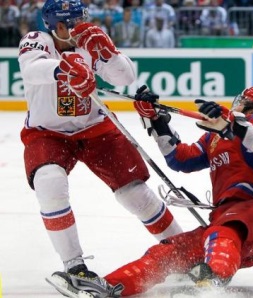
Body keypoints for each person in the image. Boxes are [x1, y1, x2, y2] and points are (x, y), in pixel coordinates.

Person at [17, 0, 182, 297]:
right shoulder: (36, 40)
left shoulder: (90, 38)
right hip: (48, 132)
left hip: (95, 127)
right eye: (75, 20)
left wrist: (108, 53)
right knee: (49, 182)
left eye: (83, 17)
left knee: (135, 193)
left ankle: (183, 250)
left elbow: (126, 78)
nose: (82, 24)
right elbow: (31, 70)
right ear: (57, 25)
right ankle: (74, 266)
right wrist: (63, 68)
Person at [103, 86, 253, 296]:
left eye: (242, 101)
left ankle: (212, 281)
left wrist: (233, 126)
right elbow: (181, 159)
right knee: (172, 251)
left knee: (221, 233)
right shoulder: (215, 137)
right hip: (227, 220)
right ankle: (111, 285)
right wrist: (157, 121)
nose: (236, 104)